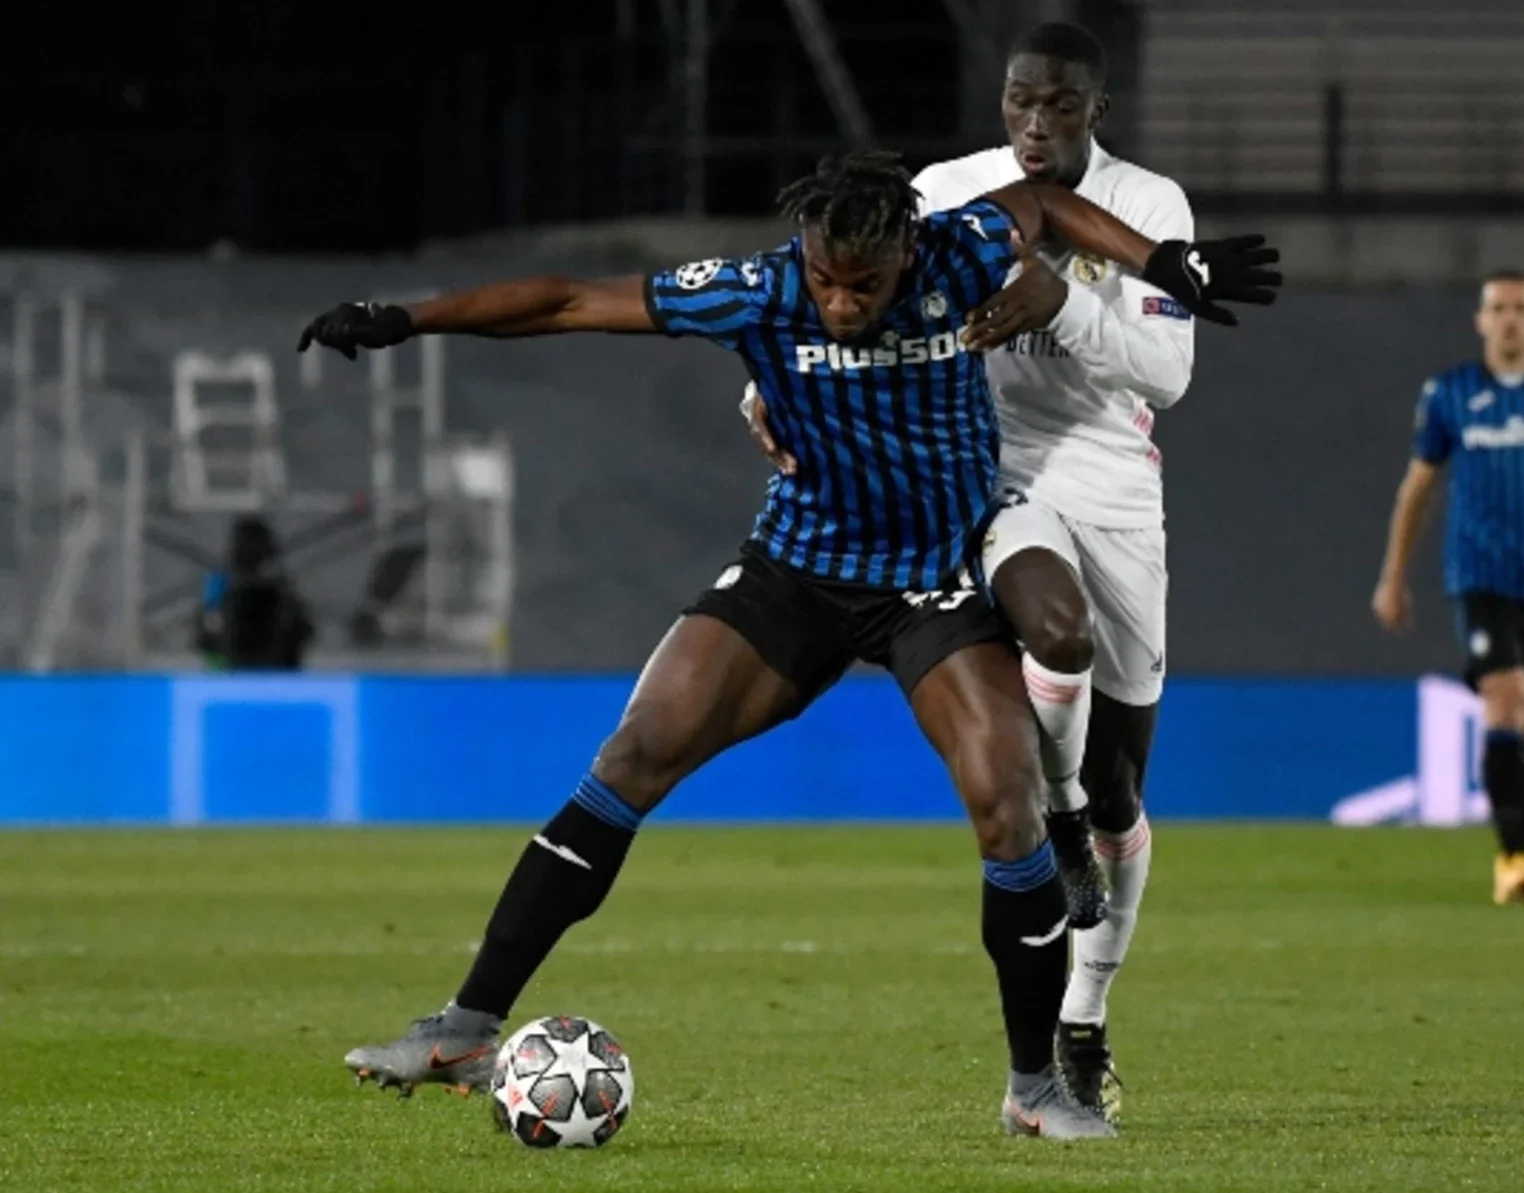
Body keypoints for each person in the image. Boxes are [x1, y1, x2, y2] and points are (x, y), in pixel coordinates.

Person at [299, 151, 1279, 1140]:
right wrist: (405, 318)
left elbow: (1040, 199)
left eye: (864, 284)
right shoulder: (757, 289)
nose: (842, 302)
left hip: (929, 582)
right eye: (826, 280)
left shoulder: (959, 249)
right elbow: (563, 301)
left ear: (907, 247)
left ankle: (1034, 1089)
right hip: (794, 575)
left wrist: (1166, 262)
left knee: (1005, 803)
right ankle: (465, 1027)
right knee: (632, 758)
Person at [742, 22, 1203, 1122]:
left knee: (1122, 791)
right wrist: (764, 391)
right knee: (1055, 638)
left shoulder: (1153, 209)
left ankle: (1085, 1015)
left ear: (1096, 111)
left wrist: (1067, 304)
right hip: (989, 475)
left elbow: (1170, 375)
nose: (1033, 126)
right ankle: (1048, 831)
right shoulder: (948, 191)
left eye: (1057, 108)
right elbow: (836, 295)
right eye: (1017, 103)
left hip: (1113, 483)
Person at [1374, 270, 1524, 906]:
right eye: (1496, 308)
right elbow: (1416, 488)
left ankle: (1521, 847)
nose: (1507, 319)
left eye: (1518, 308)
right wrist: (1394, 575)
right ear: (1480, 321)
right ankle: (1512, 857)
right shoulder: (1452, 394)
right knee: (1508, 697)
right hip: (1479, 575)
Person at [193, 515, 316, 670]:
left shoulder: (221, 588)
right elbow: (304, 632)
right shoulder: (220, 587)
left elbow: (204, 637)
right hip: (256, 674)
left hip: (244, 673)